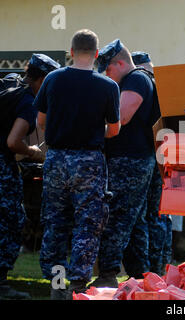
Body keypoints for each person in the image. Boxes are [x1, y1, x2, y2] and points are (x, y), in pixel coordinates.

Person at [35, 29, 121, 299]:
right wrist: (95, 131)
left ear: (71, 52)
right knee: (88, 223)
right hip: (89, 161)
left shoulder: (52, 79)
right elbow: (115, 130)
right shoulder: (108, 86)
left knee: (56, 221)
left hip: (57, 158)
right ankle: (77, 285)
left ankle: (56, 284)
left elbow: (40, 121)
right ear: (97, 55)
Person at [90, 40, 157, 287]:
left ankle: (107, 275)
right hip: (130, 160)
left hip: (131, 161)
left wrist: (85, 129)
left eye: (108, 70)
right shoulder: (129, 80)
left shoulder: (136, 79)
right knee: (134, 221)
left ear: (120, 63)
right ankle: (141, 277)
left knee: (117, 216)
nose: (106, 76)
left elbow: (122, 117)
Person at [0, 54, 59, 299]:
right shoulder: (27, 100)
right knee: (10, 220)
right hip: (3, 167)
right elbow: (13, 141)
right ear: (43, 79)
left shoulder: (10, 87)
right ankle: (1, 284)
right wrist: (32, 152)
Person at [122, 51, 172, 276]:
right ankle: (159, 268)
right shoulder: (166, 87)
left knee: (141, 216)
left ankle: (143, 272)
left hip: (142, 159)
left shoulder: (139, 84)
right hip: (165, 159)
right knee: (161, 215)